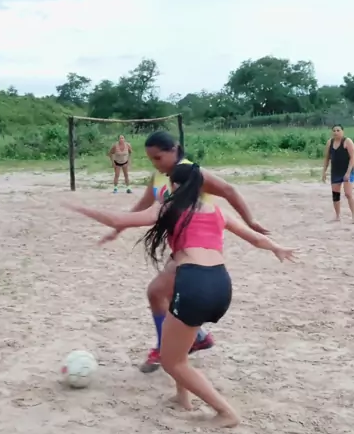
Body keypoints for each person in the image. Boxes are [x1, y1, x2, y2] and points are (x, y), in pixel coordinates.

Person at [67, 161, 295, 427]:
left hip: (194, 285)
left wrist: (80, 207)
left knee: (172, 361)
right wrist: (277, 248)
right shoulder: (217, 211)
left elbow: (118, 221)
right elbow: (255, 238)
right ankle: (182, 397)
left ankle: (225, 413)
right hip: (220, 283)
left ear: (173, 185)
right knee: (177, 344)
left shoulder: (169, 207)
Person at [101, 130, 270, 372]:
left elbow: (229, 190)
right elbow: (143, 205)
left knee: (157, 293)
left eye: (158, 158)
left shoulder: (192, 173)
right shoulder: (160, 177)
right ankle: (196, 338)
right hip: (179, 248)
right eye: (150, 159)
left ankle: (170, 348)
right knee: (161, 295)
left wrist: (250, 221)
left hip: (196, 248)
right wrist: (119, 227)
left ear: (174, 150)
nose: (155, 163)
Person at [322, 124, 354, 223]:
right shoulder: (330, 142)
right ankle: (337, 216)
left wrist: (348, 173)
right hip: (335, 172)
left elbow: (352, 158)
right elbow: (327, 158)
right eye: (334, 131)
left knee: (348, 194)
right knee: (335, 195)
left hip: (348, 171)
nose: (336, 132)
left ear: (342, 131)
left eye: (338, 130)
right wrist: (324, 172)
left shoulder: (347, 141)